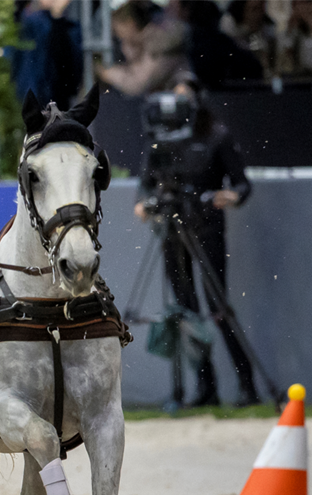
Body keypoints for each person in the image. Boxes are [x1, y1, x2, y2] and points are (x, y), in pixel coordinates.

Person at [134, 75, 258, 408]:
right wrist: (146, 203)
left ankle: (248, 385)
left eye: (184, 101)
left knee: (218, 307)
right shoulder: (160, 140)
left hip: (206, 228)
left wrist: (228, 196)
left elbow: (242, 185)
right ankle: (206, 388)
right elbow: (146, 184)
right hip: (171, 231)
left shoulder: (216, 135)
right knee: (186, 312)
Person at [96, 0, 188, 96]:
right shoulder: (135, 42)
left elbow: (138, 84)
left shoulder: (157, 42)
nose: (116, 33)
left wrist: (107, 73)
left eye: (116, 27)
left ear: (130, 23)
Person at [11, 0, 84, 109]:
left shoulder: (72, 23)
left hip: (56, 96)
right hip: (37, 95)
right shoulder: (31, 20)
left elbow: (68, 69)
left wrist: (57, 17)